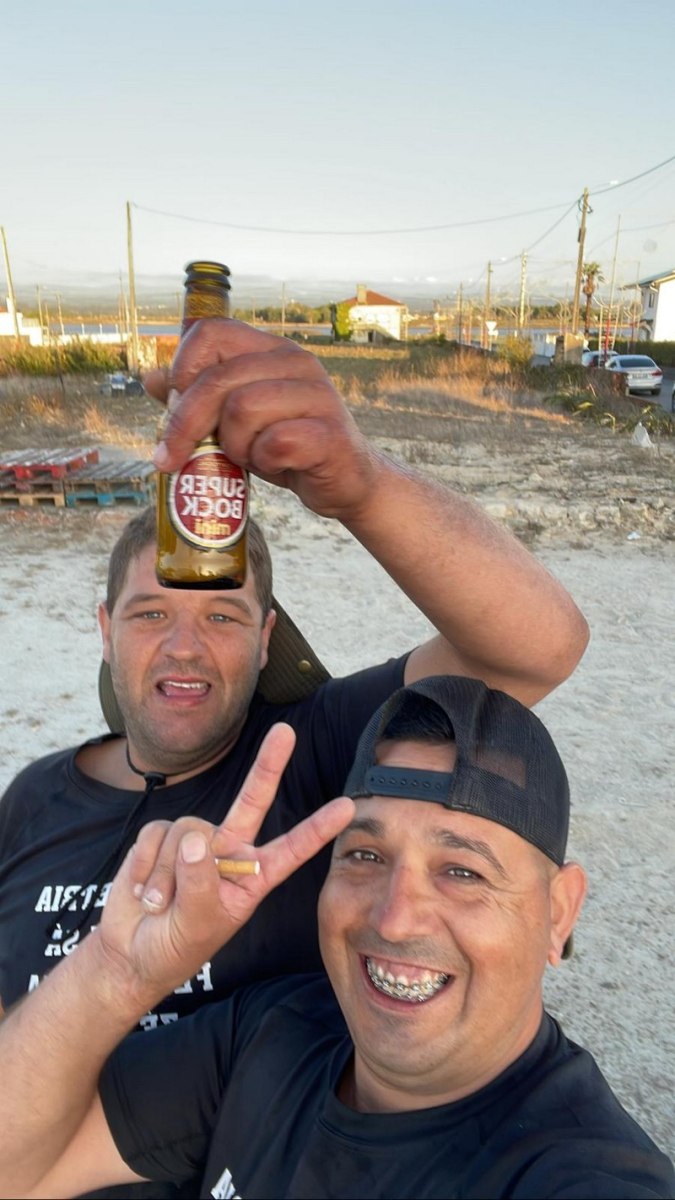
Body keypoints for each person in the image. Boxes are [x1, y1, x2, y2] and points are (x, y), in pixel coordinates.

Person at [0, 321, 587, 1199]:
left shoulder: (310, 750)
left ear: (267, 636)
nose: (185, 648)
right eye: (152, 614)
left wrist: (359, 483)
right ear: (104, 629)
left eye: (223, 616)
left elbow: (535, 647)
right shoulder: (32, 796)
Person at [0, 675, 671, 1200]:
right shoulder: (272, 1031)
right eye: (364, 856)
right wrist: (118, 970)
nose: (394, 919)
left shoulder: (578, 1173)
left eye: (462, 872)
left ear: (559, 912)